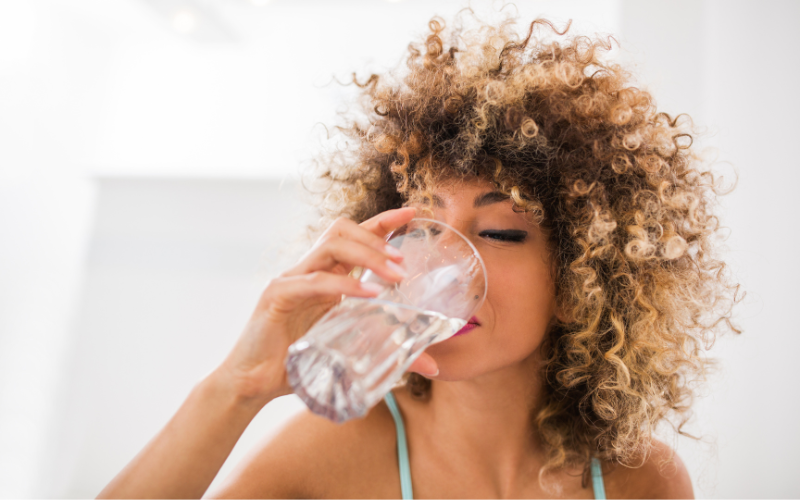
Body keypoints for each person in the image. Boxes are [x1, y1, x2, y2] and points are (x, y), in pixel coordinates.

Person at [98, 11, 741, 499]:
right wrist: (235, 388)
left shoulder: (641, 479)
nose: (441, 262)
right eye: (424, 225)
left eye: (500, 232)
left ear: (582, 283)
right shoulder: (335, 455)